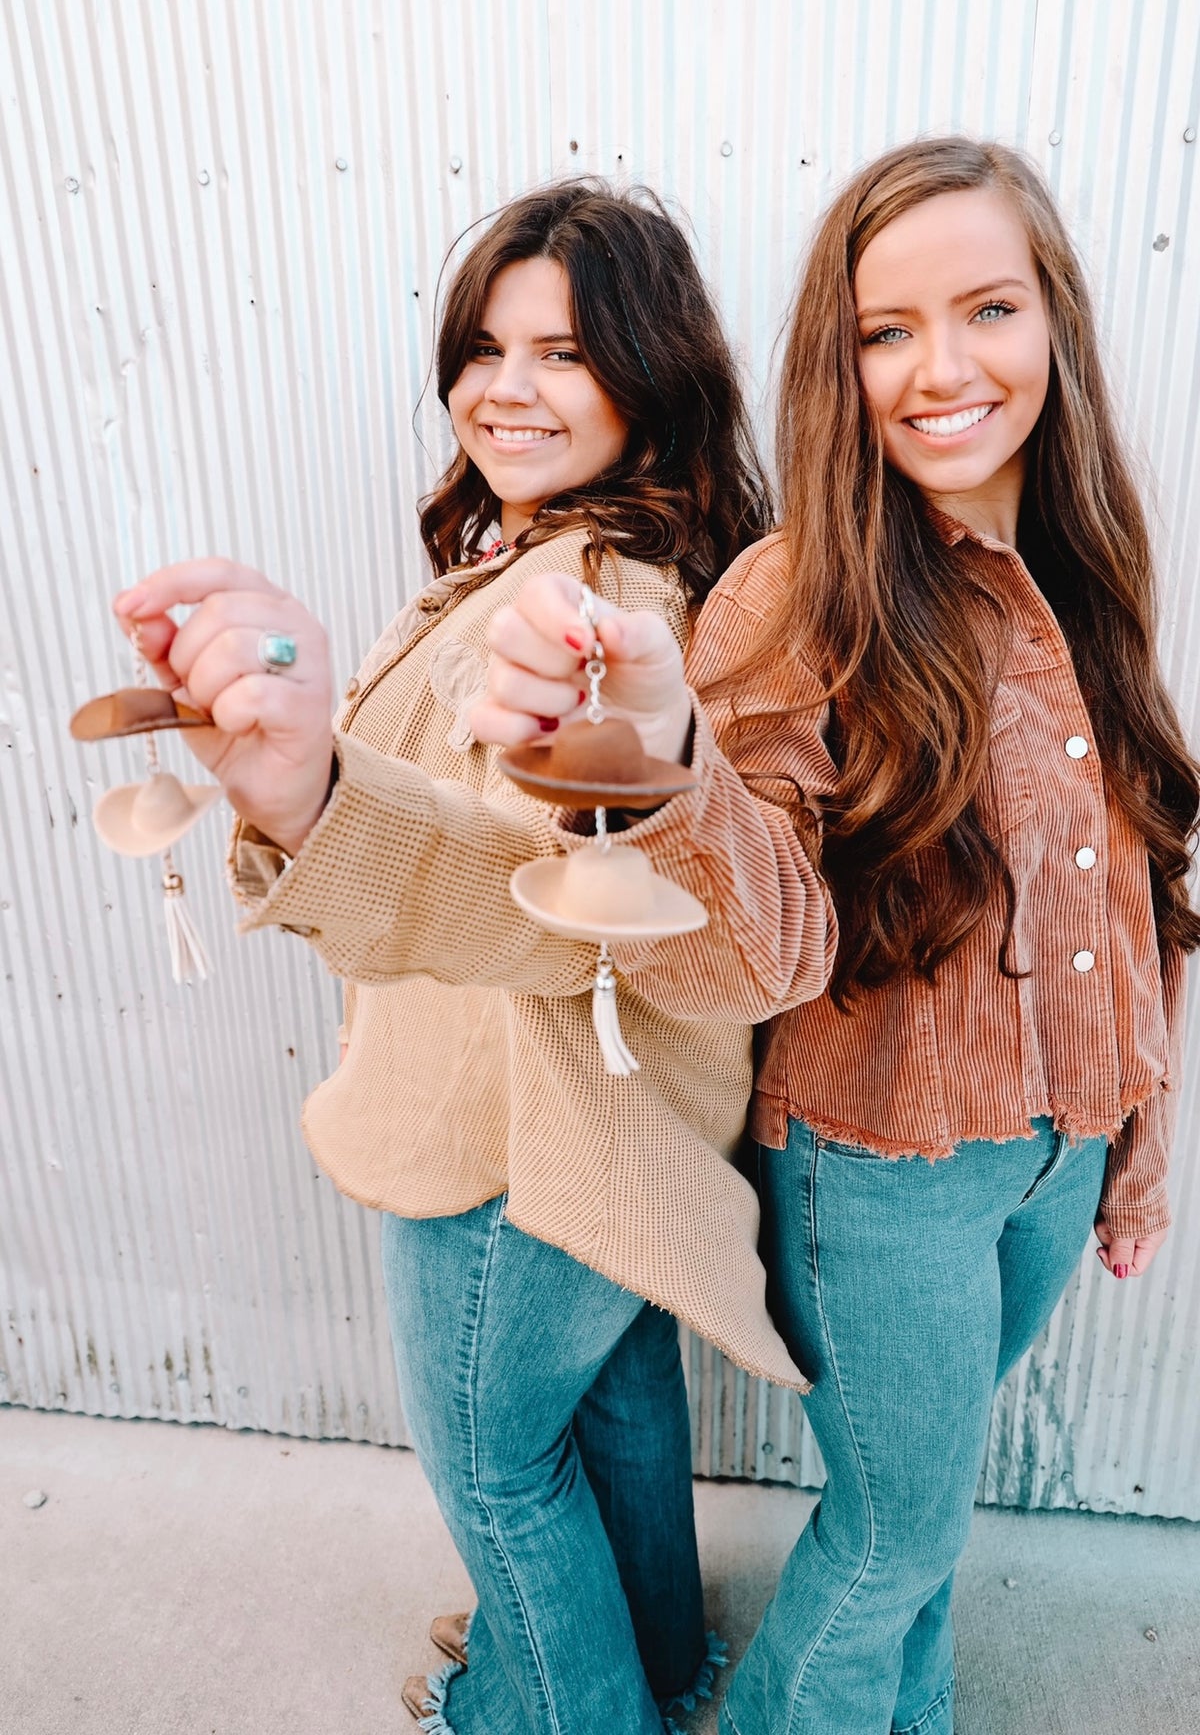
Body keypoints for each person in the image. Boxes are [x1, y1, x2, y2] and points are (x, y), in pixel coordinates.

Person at [474, 137, 1199, 1734]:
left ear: (1054, 323)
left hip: (1052, 1151)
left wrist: (1135, 1147)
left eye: (989, 309)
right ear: (837, 359)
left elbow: (1133, 887)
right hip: (884, 1177)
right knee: (898, 1531)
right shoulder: (793, 596)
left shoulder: (1091, 566)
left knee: (918, 1514)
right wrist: (665, 766)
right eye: (886, 330)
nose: (943, 368)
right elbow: (758, 949)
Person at [110, 180, 838, 1735]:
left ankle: (557, 1710)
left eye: (565, 352)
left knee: (499, 1464)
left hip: (517, 1140)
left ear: (651, 376)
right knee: (617, 1408)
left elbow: (535, 889)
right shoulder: (574, 560)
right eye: (487, 346)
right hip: (609, 1134)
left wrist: (305, 794)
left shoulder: (594, 602)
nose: (508, 386)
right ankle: (659, 1672)